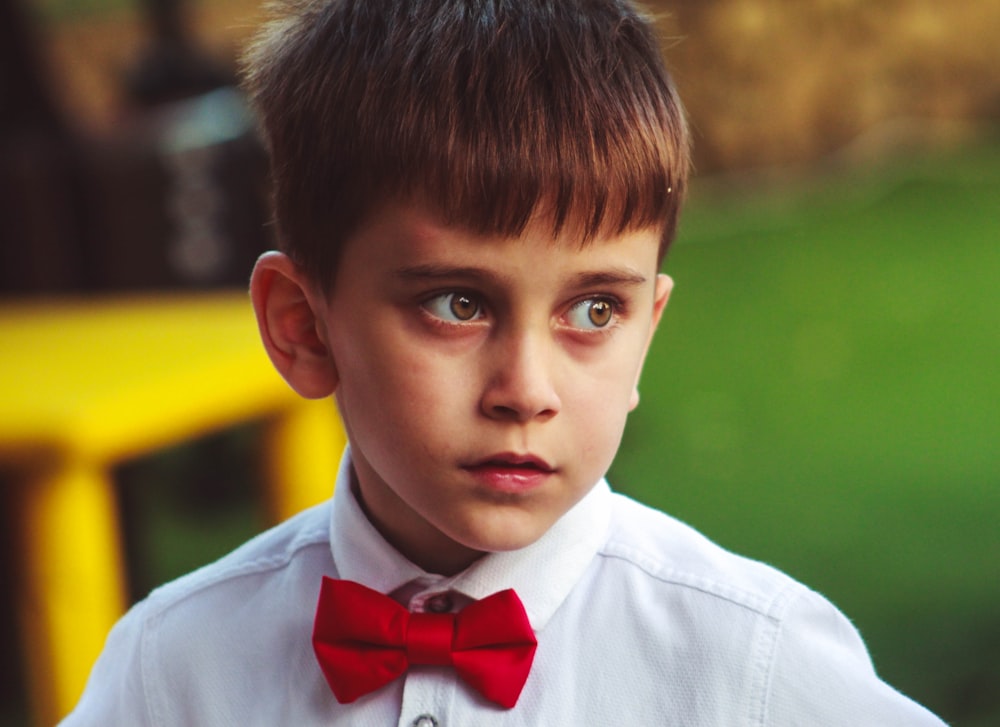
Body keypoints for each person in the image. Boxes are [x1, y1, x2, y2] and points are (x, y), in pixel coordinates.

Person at [63, 1, 947, 724]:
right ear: (304, 326)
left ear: (649, 326)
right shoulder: (168, 670)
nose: (526, 390)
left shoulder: (754, 663)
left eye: (595, 310)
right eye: (458, 303)